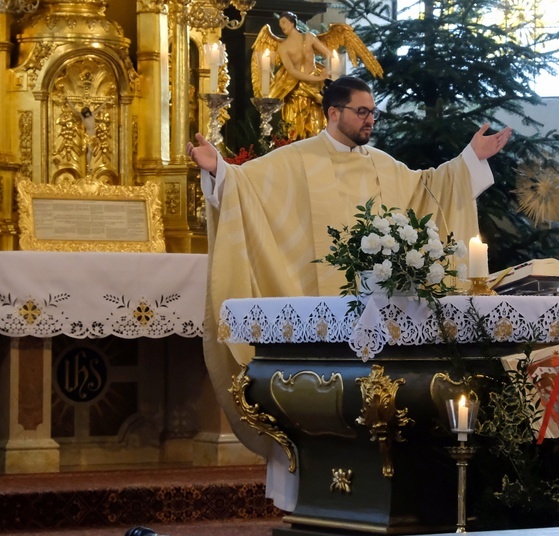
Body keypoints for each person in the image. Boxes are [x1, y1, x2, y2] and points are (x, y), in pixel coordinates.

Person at [188, 76, 511, 511]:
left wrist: (470, 159)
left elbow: (430, 189)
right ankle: (311, 502)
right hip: (322, 325)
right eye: (361, 112)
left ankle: (378, 499)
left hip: (381, 329)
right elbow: (245, 188)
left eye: (373, 112)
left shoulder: (383, 165)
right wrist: (219, 170)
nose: (369, 120)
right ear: (333, 113)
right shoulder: (295, 160)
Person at [269, 11, 332, 139]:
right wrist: (317, 78)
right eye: (280, 24)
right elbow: (292, 71)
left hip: (315, 90)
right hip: (296, 90)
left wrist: (326, 70)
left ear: (292, 23)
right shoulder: (283, 47)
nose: (282, 26)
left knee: (316, 129)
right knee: (295, 131)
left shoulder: (309, 37)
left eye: (284, 22)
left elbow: (329, 54)